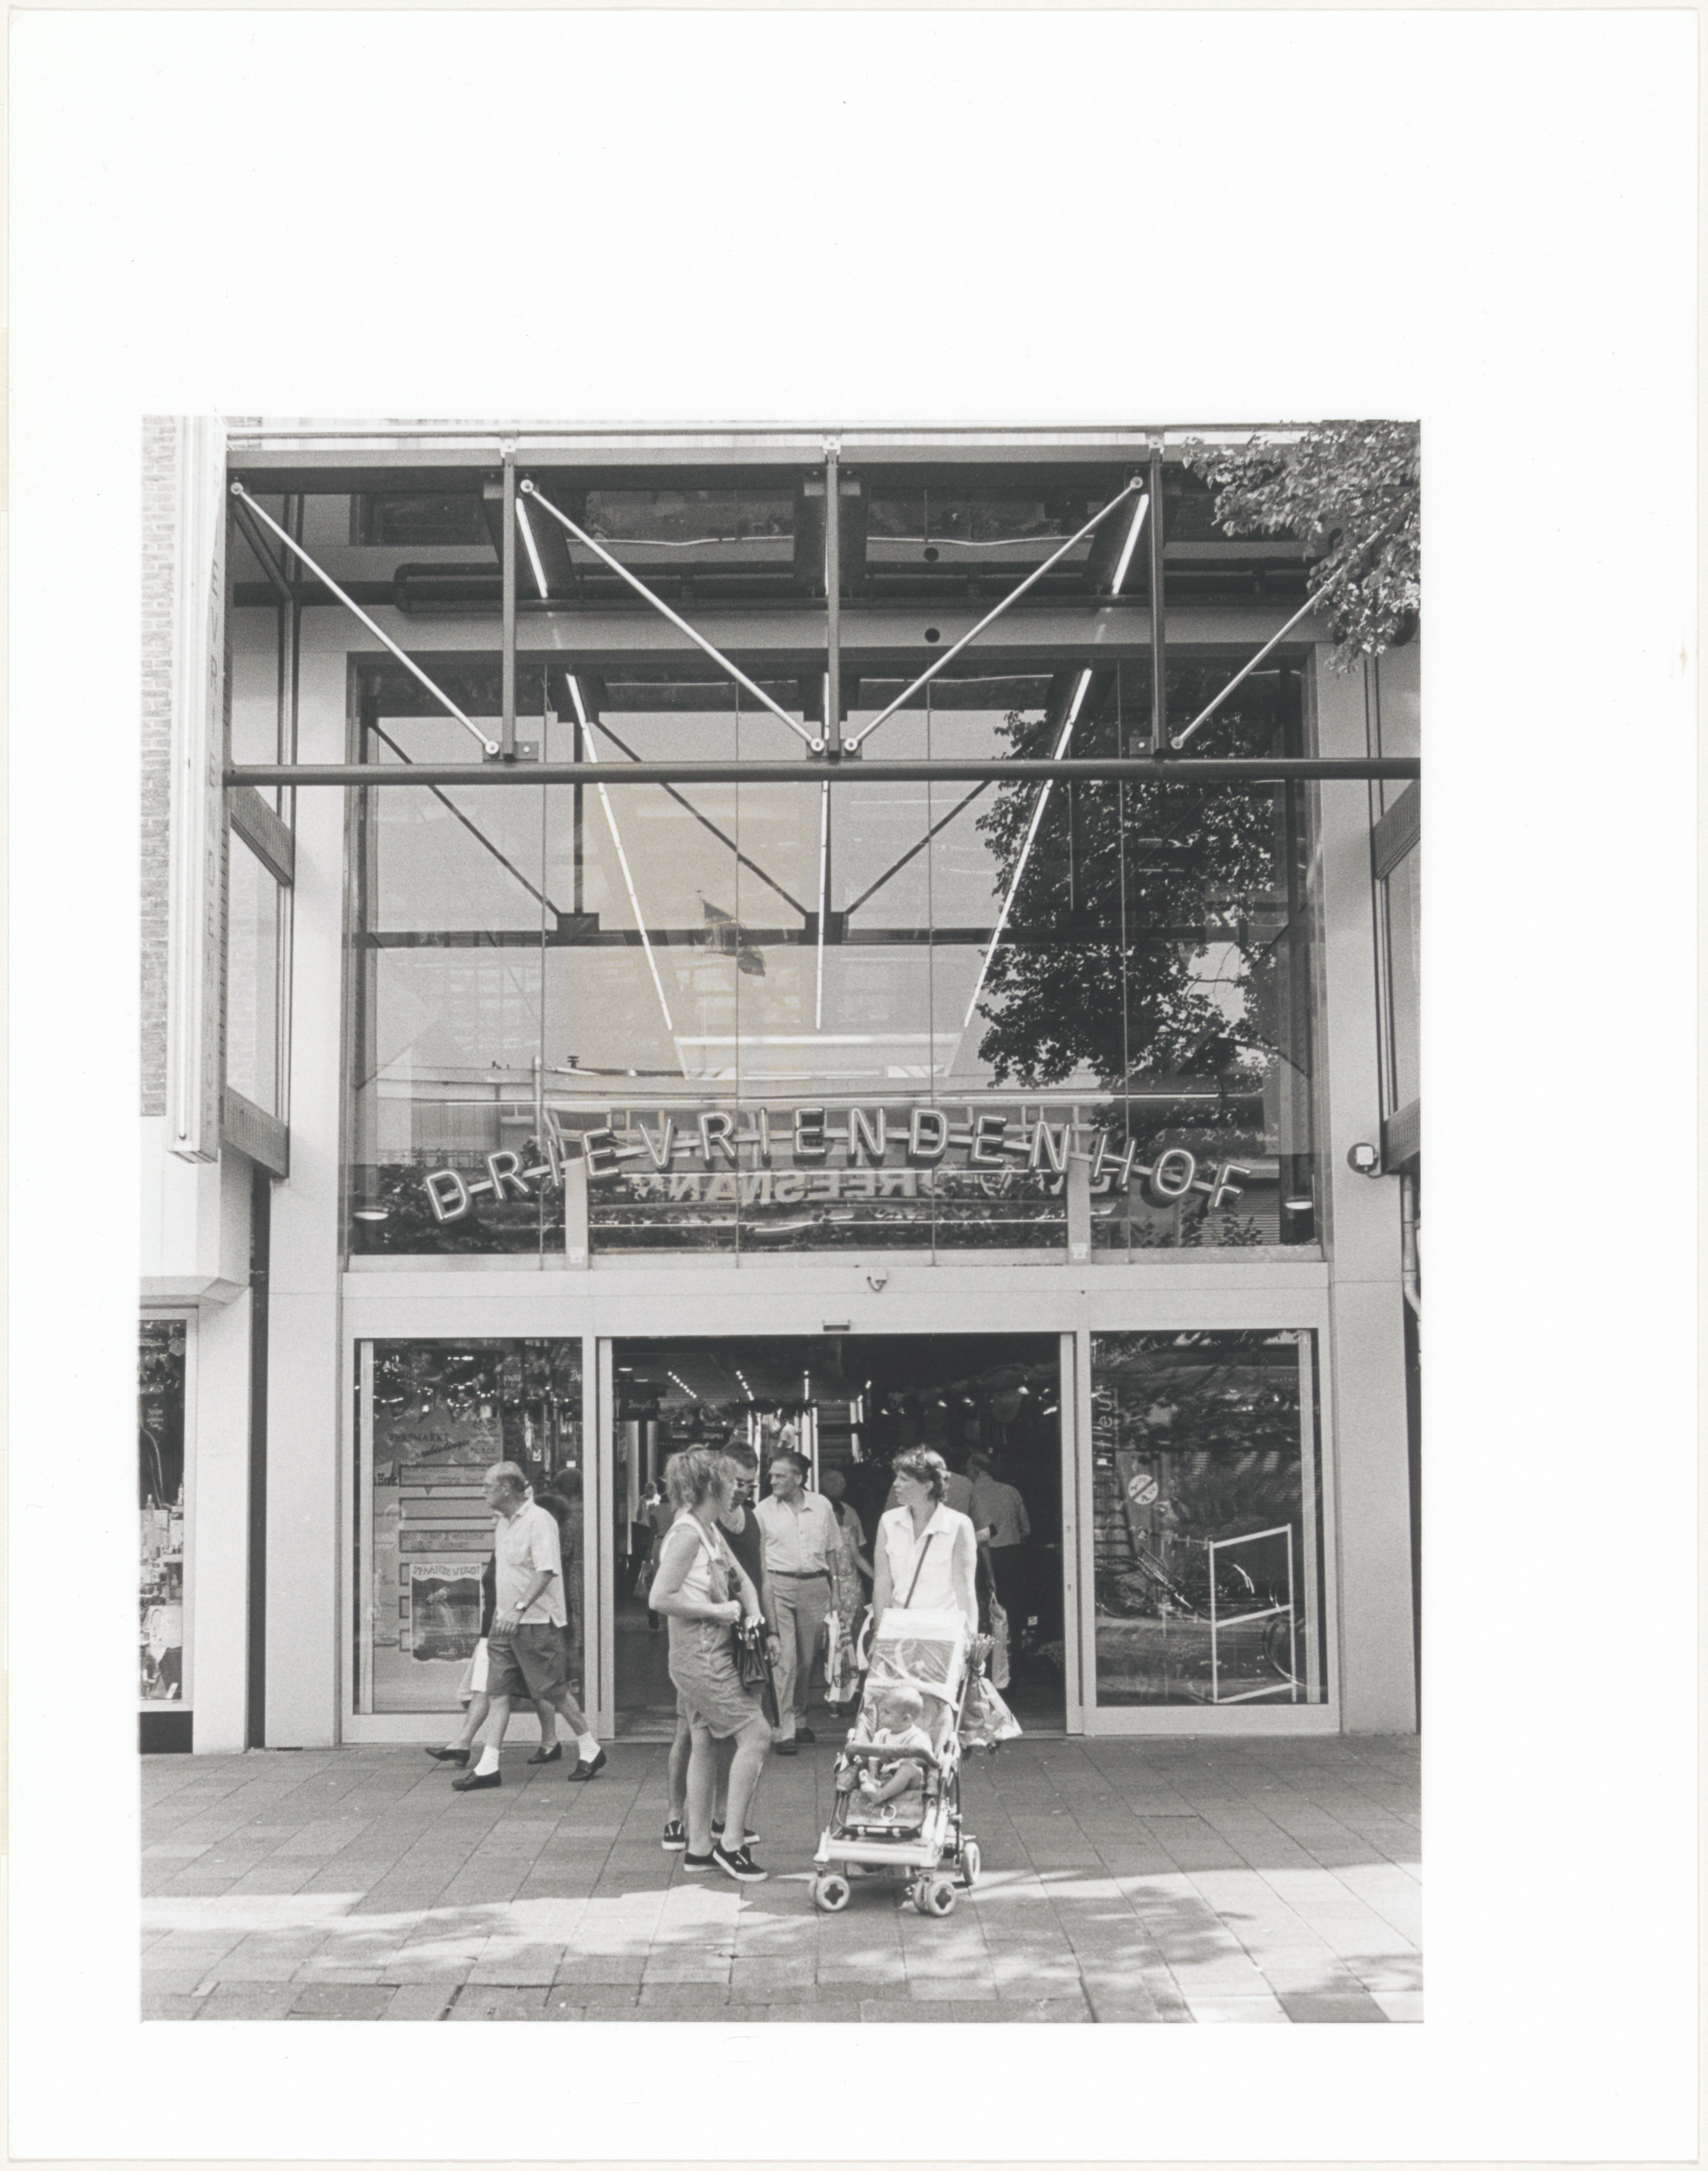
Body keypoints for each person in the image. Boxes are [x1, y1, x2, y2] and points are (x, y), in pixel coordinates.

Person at [650, 1447, 771, 1882]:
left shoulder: (706, 1528)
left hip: (704, 1649)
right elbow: (660, 1598)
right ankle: (731, 1844)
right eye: (731, 1481)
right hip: (701, 1651)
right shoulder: (688, 1534)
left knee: (704, 1742)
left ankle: (699, 1847)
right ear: (711, 1486)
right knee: (757, 1735)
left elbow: (743, 1579)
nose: (738, 1488)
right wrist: (720, 1611)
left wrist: (753, 1614)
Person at [450, 1463, 605, 1790]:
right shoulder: (504, 1523)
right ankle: (489, 1766)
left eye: (488, 1485)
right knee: (497, 1692)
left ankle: (591, 1748)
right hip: (504, 1622)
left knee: (552, 1690)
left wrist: (519, 1609)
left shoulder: (539, 1520)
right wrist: (503, 1614)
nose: (483, 1491)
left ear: (507, 1488)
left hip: (535, 1622)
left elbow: (546, 1571)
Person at [425, 1551, 566, 1767]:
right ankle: (463, 1744)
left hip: (515, 1627)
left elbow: (535, 1587)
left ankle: (553, 1742)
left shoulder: (525, 1551)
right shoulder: (503, 1549)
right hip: (495, 1628)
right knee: (489, 1688)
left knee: (536, 1686)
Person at [753, 1449, 844, 1755]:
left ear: (798, 1478)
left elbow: (832, 1550)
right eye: (771, 1475)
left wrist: (836, 1590)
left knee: (807, 1661)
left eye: (780, 1476)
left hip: (816, 1586)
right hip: (778, 1585)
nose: (772, 1481)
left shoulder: (822, 1506)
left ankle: (800, 1718)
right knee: (785, 1660)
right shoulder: (763, 1510)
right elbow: (760, 1561)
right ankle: (784, 1729)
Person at [871, 1448, 979, 1639]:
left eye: (904, 1479)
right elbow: (882, 1584)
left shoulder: (958, 1525)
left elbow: (965, 1591)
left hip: (942, 1633)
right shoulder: (888, 1522)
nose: (896, 1484)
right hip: (899, 1631)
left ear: (927, 1486)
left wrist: (971, 1640)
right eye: (897, 1478)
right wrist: (879, 1633)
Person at [834, 1685, 933, 1825]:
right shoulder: (881, 1735)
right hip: (885, 1776)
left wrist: (898, 1764)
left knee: (908, 1768)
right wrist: (873, 1773)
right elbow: (874, 1756)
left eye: (887, 1712)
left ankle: (880, 1795)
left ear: (905, 1719)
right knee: (864, 1771)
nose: (880, 1714)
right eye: (881, 1710)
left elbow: (923, 1759)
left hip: (910, 1782)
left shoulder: (918, 1737)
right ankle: (874, 1783)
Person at [817, 1468, 869, 1713]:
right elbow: (858, 1559)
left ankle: (837, 1695)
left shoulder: (825, 1536)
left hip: (834, 1589)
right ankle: (851, 1691)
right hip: (849, 1589)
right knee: (851, 1640)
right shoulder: (848, 1532)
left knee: (836, 1642)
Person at [968, 1450, 1032, 1636]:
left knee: (984, 1606)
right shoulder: (1011, 1491)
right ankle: (1015, 1643)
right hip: (1012, 1554)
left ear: (976, 1471)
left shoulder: (971, 1494)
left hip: (983, 1557)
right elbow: (1026, 1530)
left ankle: (988, 1646)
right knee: (1012, 1604)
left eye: (968, 1470)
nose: (967, 1474)